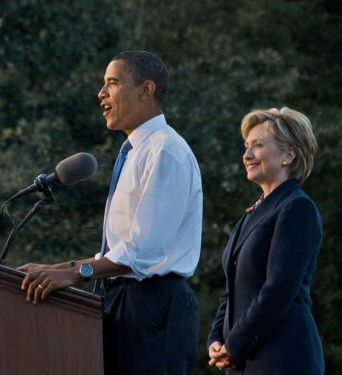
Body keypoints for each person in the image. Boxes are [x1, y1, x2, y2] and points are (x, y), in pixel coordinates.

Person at [18, 51, 203, 375]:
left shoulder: (165, 150)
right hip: (124, 300)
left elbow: (143, 252)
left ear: (146, 90)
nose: (100, 94)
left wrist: (74, 274)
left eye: (112, 83)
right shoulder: (135, 151)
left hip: (154, 305)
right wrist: (56, 268)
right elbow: (120, 250)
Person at [207, 107, 324, 374]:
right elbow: (231, 291)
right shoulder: (254, 212)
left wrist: (234, 345)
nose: (246, 155)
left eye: (258, 146)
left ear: (288, 155)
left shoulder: (297, 208)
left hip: (281, 358)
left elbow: (279, 289)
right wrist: (216, 339)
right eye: (246, 146)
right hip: (242, 360)